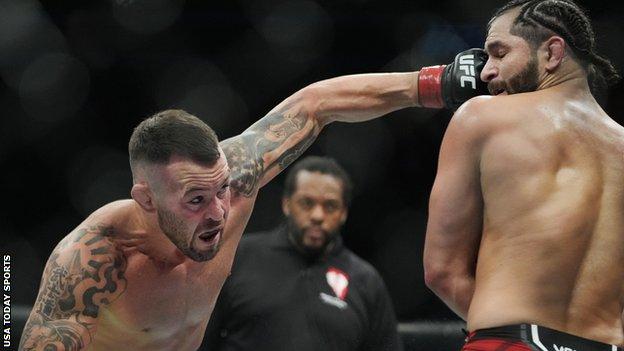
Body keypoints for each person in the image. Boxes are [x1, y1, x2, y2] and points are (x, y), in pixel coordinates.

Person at [19, 48, 488, 351]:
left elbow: (316, 104)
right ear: (145, 198)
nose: (219, 212)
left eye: (220, 188)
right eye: (196, 199)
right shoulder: (93, 259)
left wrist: (437, 82)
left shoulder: (236, 179)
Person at [423, 0, 622, 350]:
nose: (485, 73)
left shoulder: (482, 117)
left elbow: (442, 272)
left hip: (511, 340)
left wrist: (500, 324)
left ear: (552, 52)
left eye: (499, 53)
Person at [202, 156, 402, 351]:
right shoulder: (238, 257)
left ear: (343, 213)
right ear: (286, 204)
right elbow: (199, 339)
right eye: (307, 203)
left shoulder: (366, 281)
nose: (317, 215)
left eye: (330, 206)